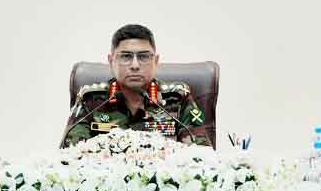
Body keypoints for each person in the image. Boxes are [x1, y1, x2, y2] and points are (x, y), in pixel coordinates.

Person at [60, 24, 211, 148]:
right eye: (126, 56)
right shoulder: (91, 99)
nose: (135, 65)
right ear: (111, 62)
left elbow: (200, 154)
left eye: (143, 56)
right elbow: (70, 155)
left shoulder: (177, 98)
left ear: (156, 62)